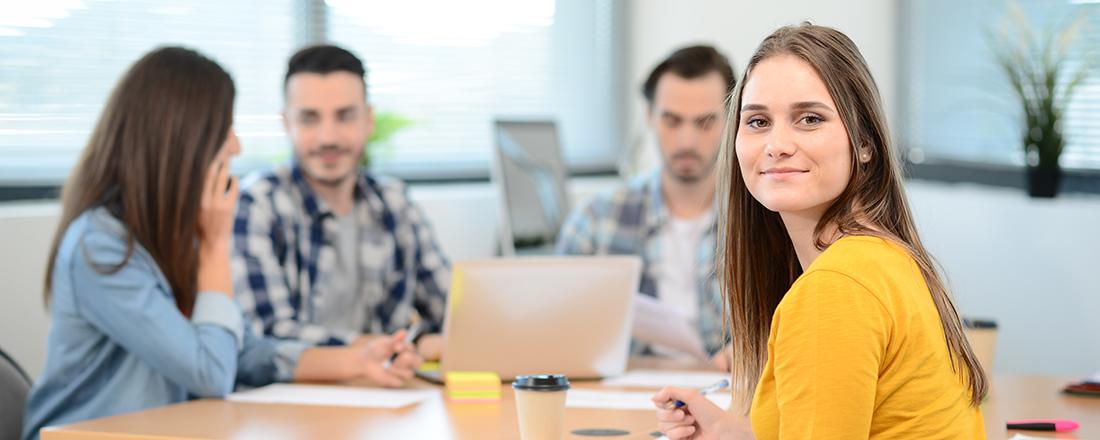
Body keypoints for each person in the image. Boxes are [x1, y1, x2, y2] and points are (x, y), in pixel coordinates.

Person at [22, 47, 420, 440]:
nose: (235, 146)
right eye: (223, 129)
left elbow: (242, 353)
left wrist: (357, 360)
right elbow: (211, 372)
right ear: (179, 139)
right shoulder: (100, 247)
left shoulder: (174, 232)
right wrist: (214, 246)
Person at [653, 23, 988, 439]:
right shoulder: (883, 258)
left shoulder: (835, 288)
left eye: (809, 119)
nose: (777, 144)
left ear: (865, 143)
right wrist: (729, 431)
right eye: (757, 121)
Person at [232, 45, 448, 358]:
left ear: (369, 120)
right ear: (286, 123)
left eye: (345, 116)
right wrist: (401, 347)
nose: (328, 138)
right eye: (309, 119)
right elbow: (271, 334)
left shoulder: (394, 203)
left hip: (388, 394)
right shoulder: (257, 205)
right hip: (291, 398)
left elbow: (455, 310)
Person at [556, 45, 735, 367]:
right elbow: (556, 329)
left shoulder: (765, 220)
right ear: (649, 116)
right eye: (672, 121)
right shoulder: (596, 219)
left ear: (732, 119)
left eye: (705, 122)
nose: (687, 142)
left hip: (727, 394)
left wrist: (756, 352)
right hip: (627, 394)